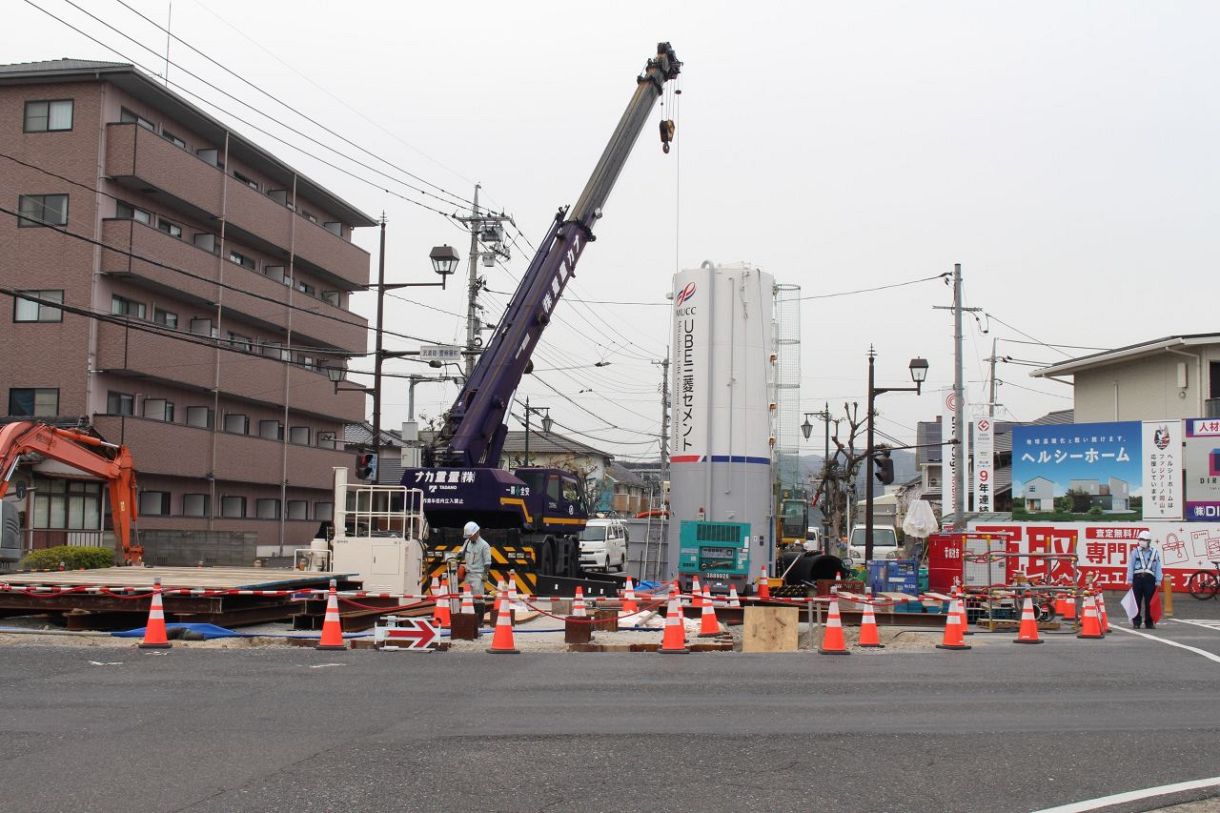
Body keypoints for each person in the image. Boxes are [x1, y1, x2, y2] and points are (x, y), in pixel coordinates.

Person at [458, 521, 493, 626]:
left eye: (471, 536)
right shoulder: (467, 542)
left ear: (477, 533)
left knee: (478, 599)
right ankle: (468, 621)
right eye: (468, 536)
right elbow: (461, 553)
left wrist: (485, 574)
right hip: (468, 574)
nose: (469, 538)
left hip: (478, 575)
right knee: (467, 598)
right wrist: (456, 558)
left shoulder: (484, 545)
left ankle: (479, 622)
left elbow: (487, 562)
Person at [1127, 530, 1163, 629]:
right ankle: (1136, 622)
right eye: (1140, 539)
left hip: (1150, 579)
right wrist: (1130, 580)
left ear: (1149, 541)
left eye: (1144, 539)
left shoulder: (1155, 552)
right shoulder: (1135, 552)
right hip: (1137, 578)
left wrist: (1158, 580)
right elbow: (1130, 566)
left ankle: (1149, 622)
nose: (1141, 541)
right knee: (1136, 601)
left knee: (1149, 602)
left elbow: (1158, 567)